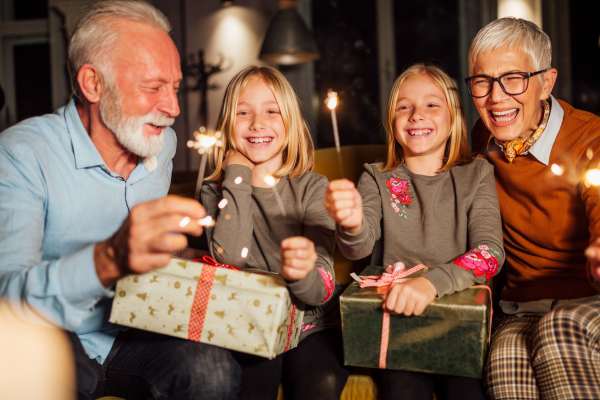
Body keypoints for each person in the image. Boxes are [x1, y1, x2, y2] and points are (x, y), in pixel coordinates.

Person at [0, 1, 240, 399]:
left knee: (212, 368)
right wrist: (108, 259)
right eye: (153, 88)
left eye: (175, 87)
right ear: (93, 83)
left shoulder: (160, 146)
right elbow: (6, 302)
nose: (173, 109)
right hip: (56, 334)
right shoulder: (20, 155)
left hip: (132, 329)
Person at [325, 63, 505, 400]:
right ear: (392, 123)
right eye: (404, 107)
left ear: (453, 118)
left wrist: (430, 283)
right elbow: (358, 248)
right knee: (403, 391)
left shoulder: (477, 174)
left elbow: (490, 253)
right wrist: (350, 224)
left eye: (431, 105)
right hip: (398, 326)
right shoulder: (375, 177)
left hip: (460, 325)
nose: (416, 115)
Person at [466, 17, 600, 400]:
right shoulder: (480, 142)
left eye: (514, 78)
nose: (496, 97)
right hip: (522, 305)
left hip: (590, 300)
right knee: (505, 359)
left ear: (546, 82)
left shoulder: (590, 137)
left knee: (558, 330)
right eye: (482, 82)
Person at [201, 65, 348, 400]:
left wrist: (302, 273)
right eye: (243, 112)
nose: (257, 123)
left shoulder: (313, 189)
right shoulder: (215, 193)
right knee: (253, 383)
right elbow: (230, 257)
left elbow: (319, 292)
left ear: (291, 123)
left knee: (320, 383)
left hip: (311, 326)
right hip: (247, 323)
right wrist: (237, 174)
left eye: (271, 111)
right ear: (227, 125)